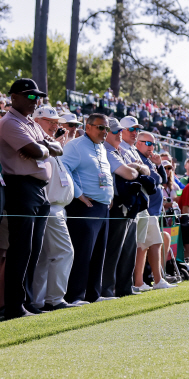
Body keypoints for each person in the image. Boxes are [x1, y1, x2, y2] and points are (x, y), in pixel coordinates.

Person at [0, 79, 63, 319]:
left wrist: (44, 144)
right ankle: (14, 306)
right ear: (14, 97)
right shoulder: (8, 122)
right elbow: (37, 151)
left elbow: (58, 147)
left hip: (38, 189)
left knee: (34, 249)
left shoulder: (29, 123)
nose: (34, 100)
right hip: (20, 187)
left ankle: (25, 302)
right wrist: (45, 145)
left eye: (36, 96)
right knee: (21, 249)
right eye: (29, 96)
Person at [61, 113, 116, 304]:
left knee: (98, 253)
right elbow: (63, 168)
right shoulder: (75, 146)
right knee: (82, 253)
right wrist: (78, 194)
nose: (104, 132)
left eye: (107, 128)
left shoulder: (101, 147)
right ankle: (75, 296)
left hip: (102, 207)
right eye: (101, 127)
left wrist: (109, 196)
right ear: (88, 126)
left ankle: (93, 294)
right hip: (84, 206)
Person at [31, 107, 77, 310]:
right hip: (49, 206)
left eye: (56, 121)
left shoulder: (53, 144)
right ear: (37, 120)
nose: (54, 125)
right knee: (64, 252)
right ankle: (54, 299)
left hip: (58, 207)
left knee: (45, 256)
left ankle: (40, 300)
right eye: (49, 120)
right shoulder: (38, 143)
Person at [100, 118, 147, 297]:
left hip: (130, 205)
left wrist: (136, 168)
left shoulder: (122, 150)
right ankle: (107, 289)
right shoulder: (107, 150)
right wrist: (136, 168)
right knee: (114, 250)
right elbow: (128, 173)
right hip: (117, 205)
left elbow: (148, 172)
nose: (120, 133)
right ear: (106, 134)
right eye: (115, 131)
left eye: (121, 130)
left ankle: (124, 288)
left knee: (128, 249)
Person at [134, 132, 176, 289]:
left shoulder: (149, 159)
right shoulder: (137, 156)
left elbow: (163, 180)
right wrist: (157, 172)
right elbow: (156, 180)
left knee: (153, 244)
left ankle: (155, 280)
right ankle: (141, 282)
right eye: (148, 143)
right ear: (138, 143)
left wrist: (159, 165)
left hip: (153, 211)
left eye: (153, 144)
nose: (152, 147)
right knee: (144, 246)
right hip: (146, 209)